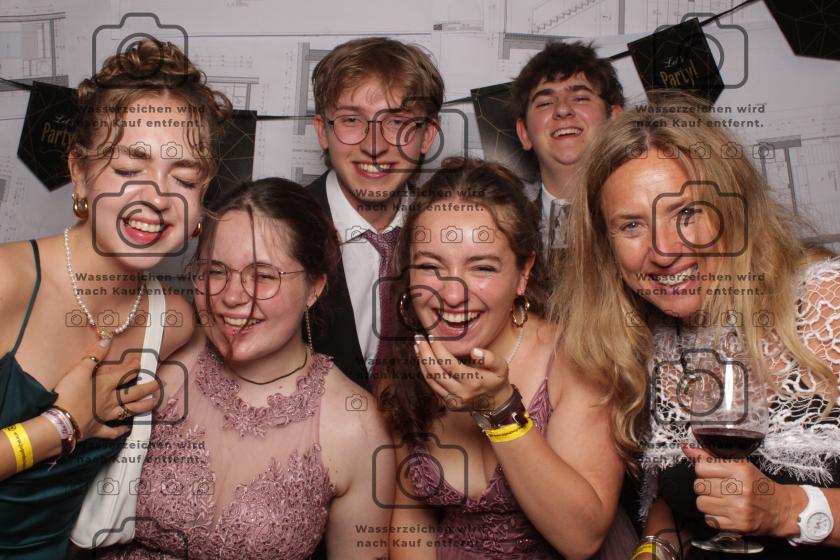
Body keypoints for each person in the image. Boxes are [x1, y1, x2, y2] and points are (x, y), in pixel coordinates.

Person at [553, 92, 840, 559]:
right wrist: (654, 549)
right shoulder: (644, 341)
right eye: (631, 226)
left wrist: (788, 509)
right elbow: (681, 504)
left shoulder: (826, 303)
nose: (664, 251)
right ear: (606, 246)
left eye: (686, 213)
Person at [0, 39, 231, 558]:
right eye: (129, 169)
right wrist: (62, 426)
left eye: (185, 177)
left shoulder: (172, 322)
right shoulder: (7, 281)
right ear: (80, 172)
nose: (156, 196)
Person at [100, 178, 394, 559]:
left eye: (264, 276)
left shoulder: (356, 428)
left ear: (314, 287)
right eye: (215, 271)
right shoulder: (160, 358)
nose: (233, 297)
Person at [378, 157, 637, 559]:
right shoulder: (405, 371)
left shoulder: (576, 359)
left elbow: (581, 539)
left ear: (523, 273)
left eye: (482, 267)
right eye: (430, 266)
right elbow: (412, 525)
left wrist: (500, 409)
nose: (452, 295)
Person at [307, 36, 444, 390]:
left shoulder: (450, 233)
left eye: (397, 122)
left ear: (427, 136)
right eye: (352, 119)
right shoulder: (275, 228)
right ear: (323, 130)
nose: (373, 146)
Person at [511, 40, 624, 251]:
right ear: (524, 133)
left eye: (580, 98)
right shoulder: (504, 224)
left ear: (615, 120)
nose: (562, 110)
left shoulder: (650, 211)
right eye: (545, 103)